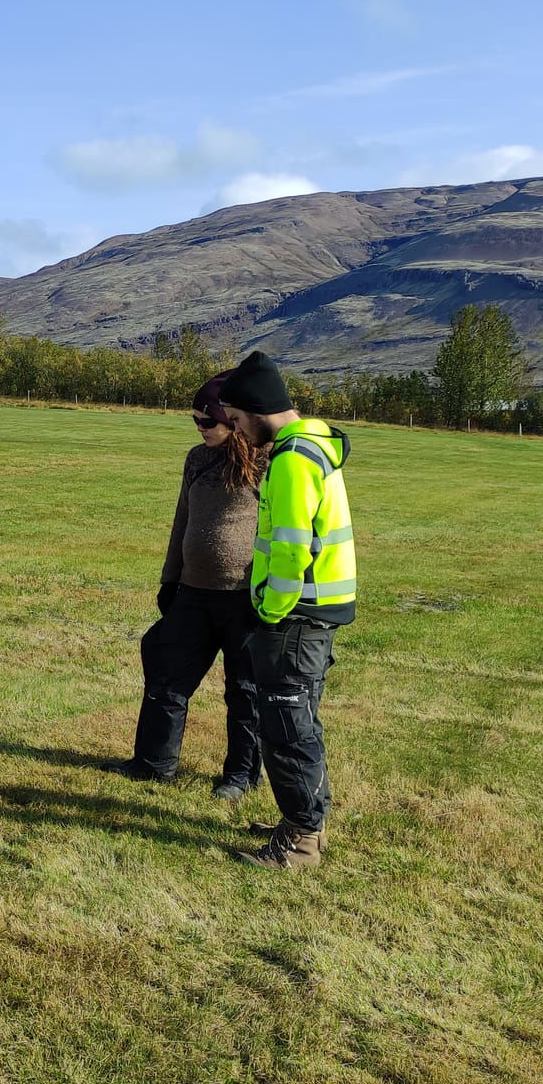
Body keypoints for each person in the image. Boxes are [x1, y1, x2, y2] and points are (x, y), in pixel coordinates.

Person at [215, 351, 357, 871]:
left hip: (295, 615)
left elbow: (294, 549)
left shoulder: (295, 460)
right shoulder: (309, 445)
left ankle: (301, 840)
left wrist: (270, 612)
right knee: (297, 721)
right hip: (311, 612)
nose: (232, 427)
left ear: (255, 410)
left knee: (288, 725)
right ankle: (301, 818)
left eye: (234, 417)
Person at [101, 370, 265, 796]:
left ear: (232, 419)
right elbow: (182, 520)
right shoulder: (195, 459)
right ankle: (154, 763)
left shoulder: (267, 462)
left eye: (207, 421)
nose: (199, 428)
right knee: (166, 672)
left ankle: (241, 776)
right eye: (193, 420)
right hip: (193, 593)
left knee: (245, 690)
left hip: (245, 599)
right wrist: (170, 579)